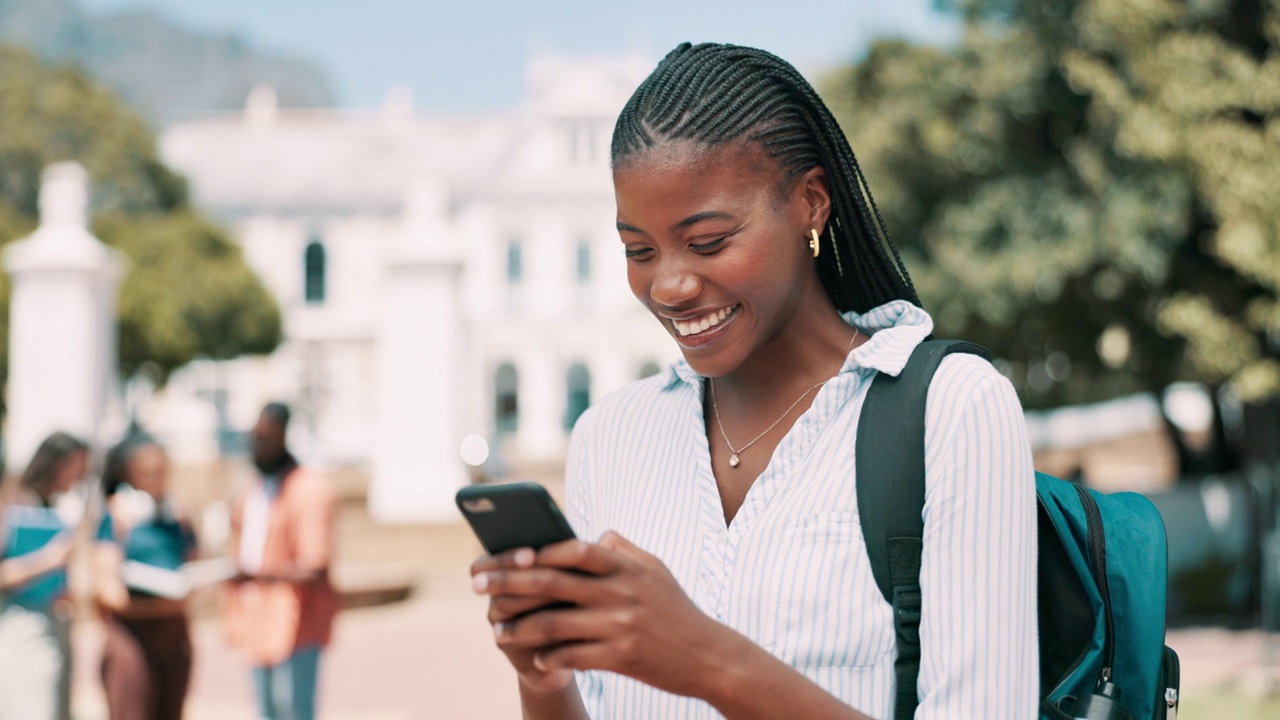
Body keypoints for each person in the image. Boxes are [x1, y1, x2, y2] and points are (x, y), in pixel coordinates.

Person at [470, 42, 1038, 719]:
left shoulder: (952, 409)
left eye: (708, 241)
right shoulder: (608, 436)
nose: (670, 285)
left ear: (810, 204)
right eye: (638, 251)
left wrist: (706, 661)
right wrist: (544, 679)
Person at [221, 403, 339, 720]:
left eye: (264, 438)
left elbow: (315, 565)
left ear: (282, 436)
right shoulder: (253, 487)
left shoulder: (309, 488)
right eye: (253, 438)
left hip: (295, 622)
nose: (256, 446)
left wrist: (258, 575)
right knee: (267, 711)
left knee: (294, 711)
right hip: (257, 617)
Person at [0, 431, 120, 720]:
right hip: (22, 628)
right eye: (77, 466)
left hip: (57, 623)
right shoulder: (12, 506)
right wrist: (47, 561)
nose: (80, 477)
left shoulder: (60, 508)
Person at [99, 433, 197, 720]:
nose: (158, 479)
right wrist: (162, 605)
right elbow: (109, 592)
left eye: (162, 471)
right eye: (149, 473)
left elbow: (194, 570)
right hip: (132, 636)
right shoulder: (116, 519)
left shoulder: (178, 516)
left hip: (173, 635)